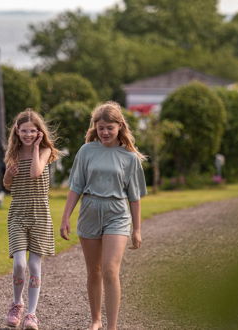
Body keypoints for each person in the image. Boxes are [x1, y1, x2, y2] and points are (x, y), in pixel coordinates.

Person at [60, 101, 147, 330]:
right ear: (95, 128)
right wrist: (65, 217)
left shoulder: (129, 158)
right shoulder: (86, 151)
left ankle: (112, 326)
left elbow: (135, 197)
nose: (105, 132)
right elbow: (76, 186)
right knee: (94, 271)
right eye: (101, 128)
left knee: (110, 269)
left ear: (119, 126)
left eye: (110, 127)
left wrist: (137, 229)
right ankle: (96, 320)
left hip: (117, 213)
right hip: (89, 211)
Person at [2, 109, 60, 330]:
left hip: (40, 214)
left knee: (34, 266)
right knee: (19, 263)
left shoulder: (44, 150)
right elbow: (6, 184)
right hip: (18, 212)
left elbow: (36, 172)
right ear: (17, 131)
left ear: (39, 132)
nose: (28, 134)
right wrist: (9, 173)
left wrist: (35, 147)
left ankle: (31, 314)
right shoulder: (13, 153)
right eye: (24, 131)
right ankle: (17, 304)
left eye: (32, 131)